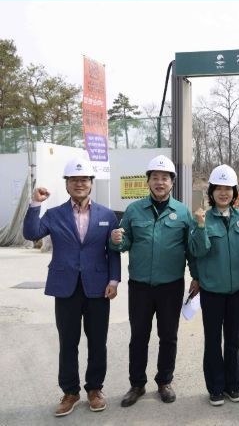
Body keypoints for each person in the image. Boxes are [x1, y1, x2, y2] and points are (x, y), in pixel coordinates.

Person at [23, 158, 120, 417]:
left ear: (91, 183)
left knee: (97, 341)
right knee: (68, 342)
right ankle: (70, 392)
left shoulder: (107, 215)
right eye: (74, 180)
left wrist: (114, 280)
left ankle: (95, 389)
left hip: (98, 287)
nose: (79, 184)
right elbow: (31, 234)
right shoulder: (54, 214)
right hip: (65, 286)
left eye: (84, 180)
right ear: (67, 184)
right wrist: (35, 204)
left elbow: (113, 251)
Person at [110, 155, 199, 407]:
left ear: (172, 182)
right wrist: (116, 240)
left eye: (165, 178)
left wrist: (196, 276)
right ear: (148, 181)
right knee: (138, 336)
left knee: (168, 336)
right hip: (140, 286)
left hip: (171, 286)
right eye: (155, 178)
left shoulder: (182, 212)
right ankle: (137, 384)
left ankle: (164, 381)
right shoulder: (133, 210)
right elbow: (124, 242)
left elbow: (191, 248)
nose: (160, 182)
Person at [190, 164, 239, 407]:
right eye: (218, 188)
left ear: (234, 192)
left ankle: (233, 385)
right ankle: (216, 388)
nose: (223, 193)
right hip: (212, 290)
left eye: (228, 188)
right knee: (212, 340)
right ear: (211, 192)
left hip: (237, 290)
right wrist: (200, 227)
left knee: (233, 339)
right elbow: (197, 252)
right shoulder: (202, 219)